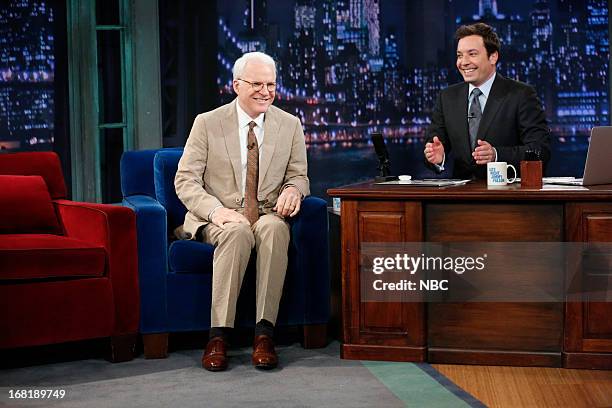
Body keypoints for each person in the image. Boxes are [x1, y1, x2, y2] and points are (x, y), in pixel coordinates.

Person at [175, 51, 309, 371]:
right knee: (236, 232)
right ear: (236, 85)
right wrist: (215, 211)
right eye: (257, 84)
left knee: (275, 229)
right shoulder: (207, 123)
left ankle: (264, 335)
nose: (265, 91)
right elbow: (185, 179)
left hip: (266, 214)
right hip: (219, 218)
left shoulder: (289, 125)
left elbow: (299, 176)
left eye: (271, 84)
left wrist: (293, 191)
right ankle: (218, 337)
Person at [424, 23, 551, 180]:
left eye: (472, 54)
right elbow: (434, 146)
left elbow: (540, 150)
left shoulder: (521, 94)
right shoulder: (447, 97)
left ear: (493, 57)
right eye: (459, 55)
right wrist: (437, 158)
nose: (463, 62)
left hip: (508, 195)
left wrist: (496, 155)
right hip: (460, 198)